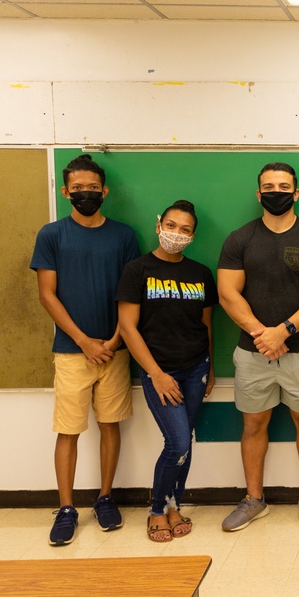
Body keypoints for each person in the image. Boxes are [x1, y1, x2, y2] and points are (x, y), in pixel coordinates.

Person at [217, 163, 299, 532]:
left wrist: (283, 331)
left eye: (284, 186)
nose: (276, 191)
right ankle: (254, 498)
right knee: (253, 423)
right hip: (252, 352)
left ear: (296, 193)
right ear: (258, 194)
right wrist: (262, 335)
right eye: (268, 186)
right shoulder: (239, 239)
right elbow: (227, 294)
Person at [30, 154, 140, 546]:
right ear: (65, 192)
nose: (86, 194)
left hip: (115, 349)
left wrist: (113, 341)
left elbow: (132, 293)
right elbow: (47, 295)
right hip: (71, 351)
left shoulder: (124, 236)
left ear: (104, 191)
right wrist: (83, 340)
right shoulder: (52, 234)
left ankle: (105, 497)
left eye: (93, 189)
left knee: (110, 424)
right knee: (69, 430)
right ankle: (65, 508)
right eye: (78, 189)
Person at [117, 200, 217, 542]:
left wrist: (211, 366)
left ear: (193, 235)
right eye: (171, 225)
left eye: (185, 230)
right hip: (159, 369)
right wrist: (156, 374)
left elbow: (206, 324)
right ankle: (157, 509)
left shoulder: (201, 273)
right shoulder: (137, 270)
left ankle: (176, 504)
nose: (176, 234)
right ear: (159, 224)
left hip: (196, 368)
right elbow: (128, 328)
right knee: (176, 442)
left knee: (185, 441)